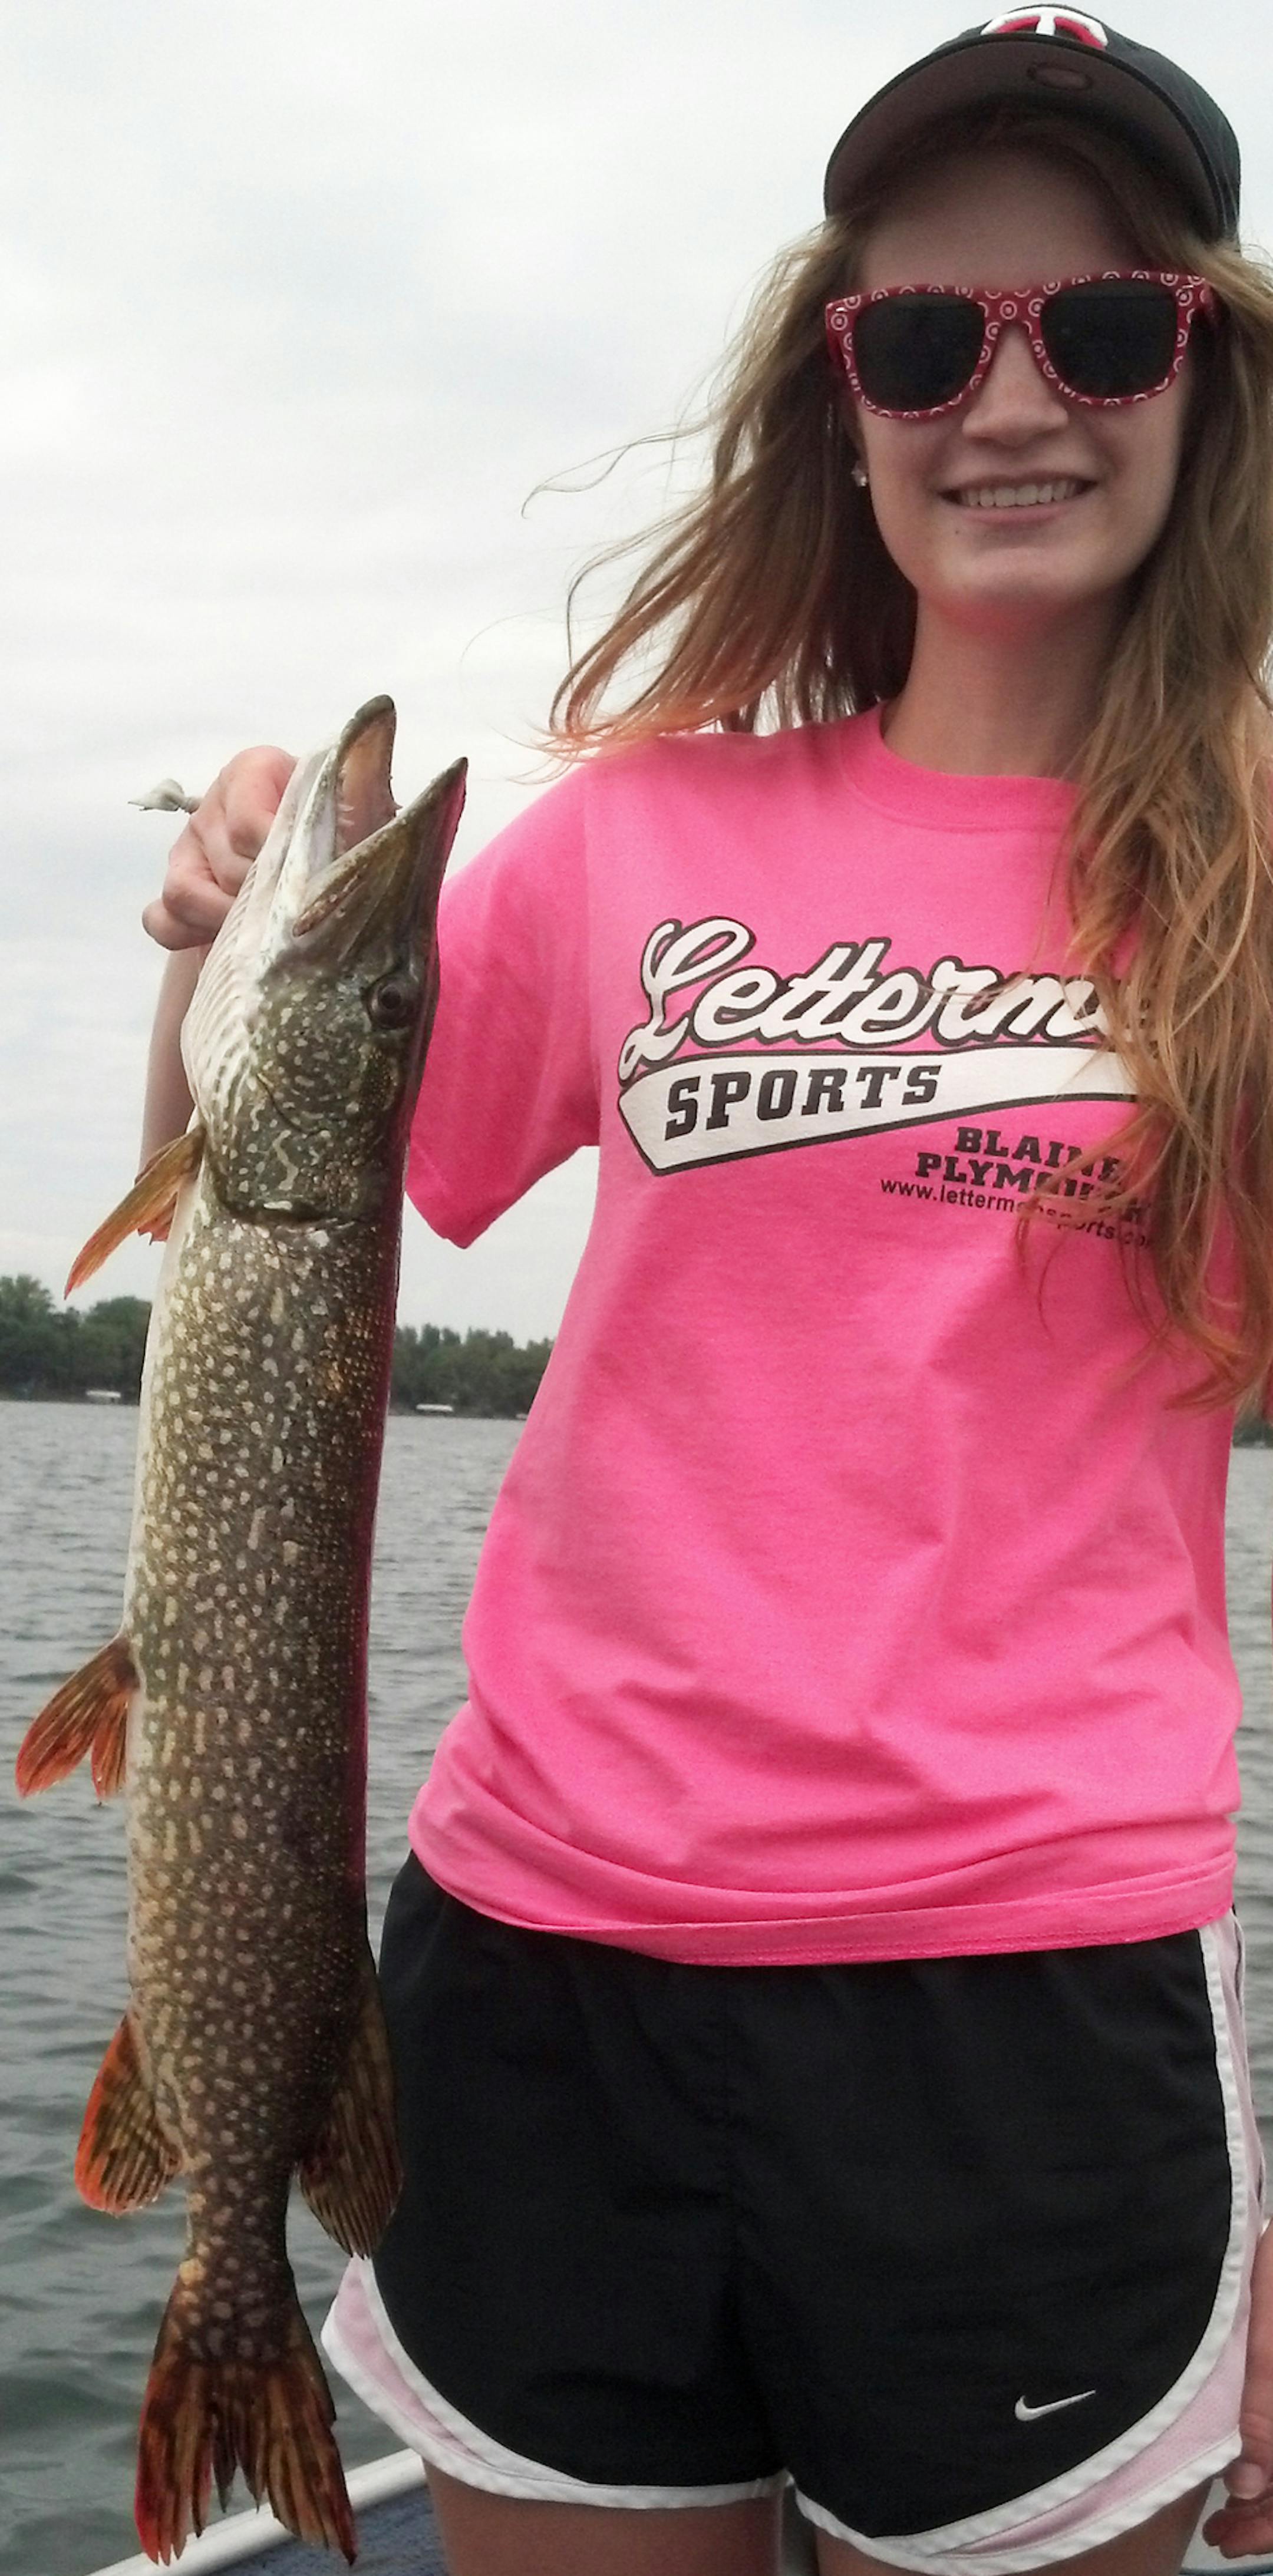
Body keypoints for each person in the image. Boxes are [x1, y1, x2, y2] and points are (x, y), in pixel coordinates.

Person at [140, 17, 1273, 2575]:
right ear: (838, 398)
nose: (1012, 399)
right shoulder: (634, 835)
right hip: (537, 1980)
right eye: (921, 338)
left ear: (1202, 372)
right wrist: (206, 948)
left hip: (1032, 2016)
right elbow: (265, 1217)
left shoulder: (1260, 888)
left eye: (1100, 331)